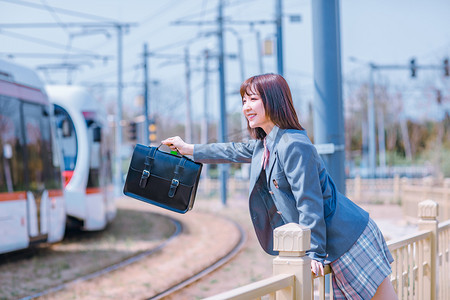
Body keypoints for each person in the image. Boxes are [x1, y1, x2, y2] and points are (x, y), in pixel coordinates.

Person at [162, 73, 397, 299]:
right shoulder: (267, 143)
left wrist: (313, 250)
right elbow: (232, 151)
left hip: (348, 238)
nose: (246, 107)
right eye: (244, 100)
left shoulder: (293, 144)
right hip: (338, 242)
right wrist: (188, 148)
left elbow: (309, 200)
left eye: (253, 99)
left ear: (273, 101)